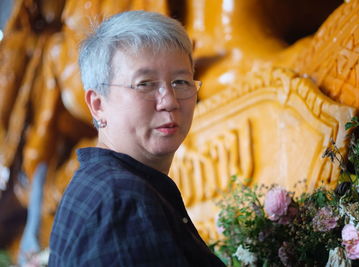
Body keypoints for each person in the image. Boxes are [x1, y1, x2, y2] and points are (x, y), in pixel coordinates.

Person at [48, 11, 226, 266]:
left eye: (180, 81)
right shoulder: (120, 200)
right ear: (98, 105)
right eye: (145, 84)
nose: (170, 101)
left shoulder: (109, 184)